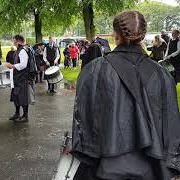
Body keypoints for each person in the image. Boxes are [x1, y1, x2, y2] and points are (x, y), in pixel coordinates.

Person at [72, 10, 180, 180]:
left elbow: (84, 122)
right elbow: (171, 127)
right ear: (143, 35)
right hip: (152, 171)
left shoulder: (93, 70)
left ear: (115, 34)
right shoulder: (163, 75)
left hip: (103, 169)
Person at [6, 35, 30, 123]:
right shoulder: (19, 50)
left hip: (22, 78)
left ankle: (25, 116)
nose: (14, 43)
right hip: (17, 78)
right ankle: (17, 114)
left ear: (19, 42)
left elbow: (24, 64)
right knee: (16, 97)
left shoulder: (23, 51)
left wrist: (12, 66)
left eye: (15, 42)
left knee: (23, 97)